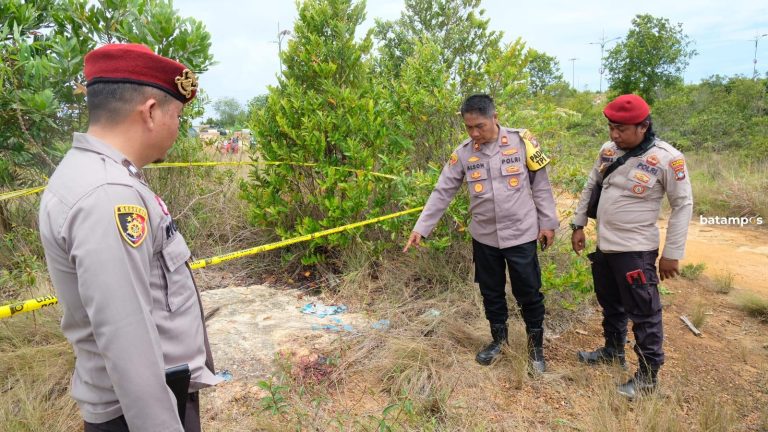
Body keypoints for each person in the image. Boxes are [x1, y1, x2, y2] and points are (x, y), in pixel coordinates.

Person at [38, 43, 222, 431]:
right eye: (178, 116)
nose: (177, 127)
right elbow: (128, 343)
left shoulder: (91, 175)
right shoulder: (109, 195)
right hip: (141, 412)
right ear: (151, 112)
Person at [403, 94, 559, 372]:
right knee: (491, 293)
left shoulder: (522, 142)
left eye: (480, 126)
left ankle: (536, 349)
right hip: (485, 238)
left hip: (521, 234)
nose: (475, 133)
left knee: (529, 292)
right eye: (469, 128)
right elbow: (442, 191)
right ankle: (499, 341)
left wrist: (548, 223)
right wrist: (421, 228)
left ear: (495, 118)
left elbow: (541, 186)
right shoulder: (463, 153)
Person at [570, 94, 693, 398]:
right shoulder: (608, 151)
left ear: (644, 126)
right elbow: (591, 185)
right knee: (610, 302)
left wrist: (672, 253)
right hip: (606, 247)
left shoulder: (668, 158)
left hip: (636, 251)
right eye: (611, 127)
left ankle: (648, 378)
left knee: (644, 312)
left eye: (622, 129)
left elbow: (683, 204)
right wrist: (578, 223)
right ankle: (613, 351)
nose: (614, 135)